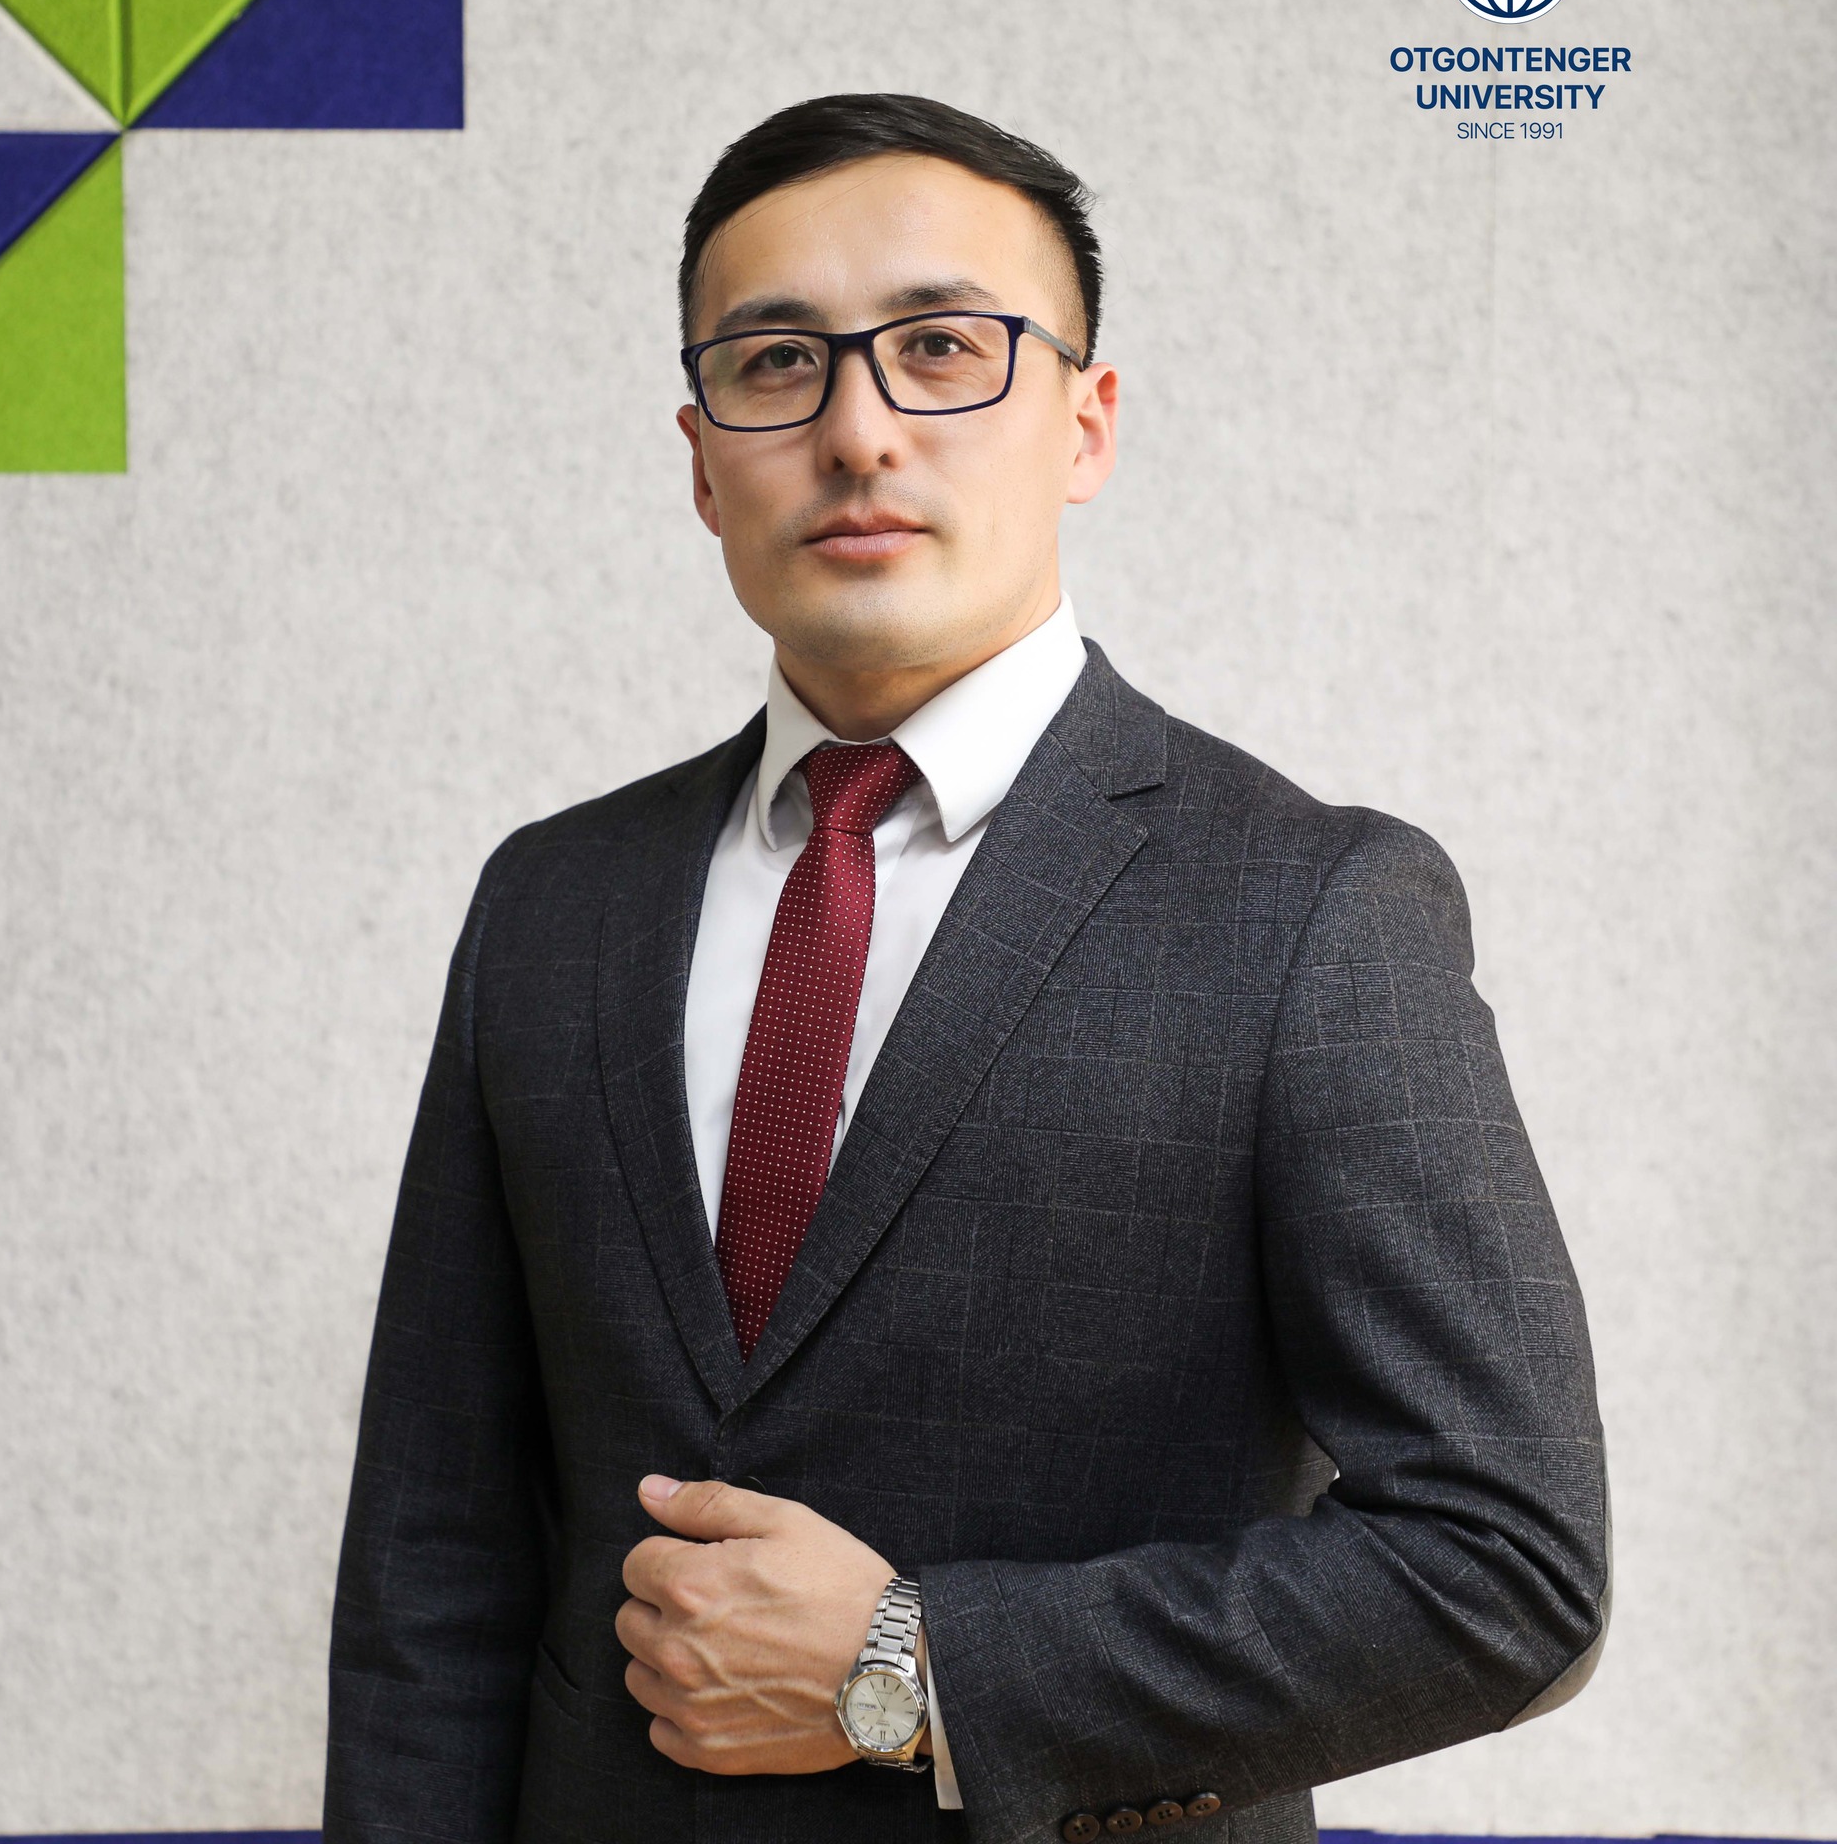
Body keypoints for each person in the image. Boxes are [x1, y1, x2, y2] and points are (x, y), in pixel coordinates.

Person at [323, 93, 1609, 1844]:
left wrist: (919, 1668)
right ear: (701, 460)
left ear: (1086, 422)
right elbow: (435, 1563)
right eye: (779, 363)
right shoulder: (552, 903)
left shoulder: (1314, 908)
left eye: (942, 349)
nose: (858, 430)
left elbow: (1507, 1564)